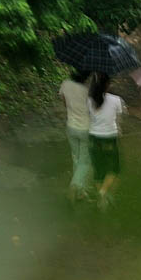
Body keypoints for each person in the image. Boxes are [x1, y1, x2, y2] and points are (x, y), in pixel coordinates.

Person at [87, 72, 126, 211]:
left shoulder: (89, 100)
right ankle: (103, 192)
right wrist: (118, 131)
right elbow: (118, 120)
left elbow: (90, 118)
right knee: (114, 169)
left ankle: (101, 196)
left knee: (98, 171)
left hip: (93, 138)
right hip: (109, 138)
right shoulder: (116, 100)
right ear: (107, 85)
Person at [59, 68, 92, 204]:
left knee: (76, 159)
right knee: (85, 161)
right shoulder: (86, 91)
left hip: (71, 126)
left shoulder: (65, 84)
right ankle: (74, 186)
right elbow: (92, 111)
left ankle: (81, 192)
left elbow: (64, 102)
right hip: (85, 128)